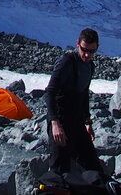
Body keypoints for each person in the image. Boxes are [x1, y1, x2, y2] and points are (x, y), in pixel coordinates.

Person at [45, 28, 107, 179]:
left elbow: (83, 94)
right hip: (61, 122)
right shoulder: (66, 62)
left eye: (91, 52)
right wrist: (55, 123)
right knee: (60, 172)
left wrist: (87, 121)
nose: (87, 55)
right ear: (77, 44)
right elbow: (50, 92)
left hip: (77, 122)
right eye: (84, 50)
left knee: (94, 168)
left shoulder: (89, 66)